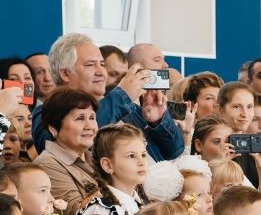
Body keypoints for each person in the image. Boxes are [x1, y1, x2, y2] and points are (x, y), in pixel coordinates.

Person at [31, 34, 184, 161]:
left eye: (102, 64)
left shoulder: (126, 106)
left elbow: (175, 151)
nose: (101, 72)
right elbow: (60, 150)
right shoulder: (44, 113)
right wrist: (122, 97)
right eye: (91, 65)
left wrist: (157, 121)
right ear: (64, 73)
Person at [33, 88, 101, 215]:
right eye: (80, 118)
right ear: (53, 128)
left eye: (92, 117)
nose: (89, 126)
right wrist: (115, 184)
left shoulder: (96, 159)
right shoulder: (46, 163)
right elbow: (76, 214)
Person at [77, 122, 149, 215]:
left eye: (143, 155)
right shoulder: (100, 212)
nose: (142, 163)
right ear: (108, 165)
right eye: (131, 156)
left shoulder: (141, 205)